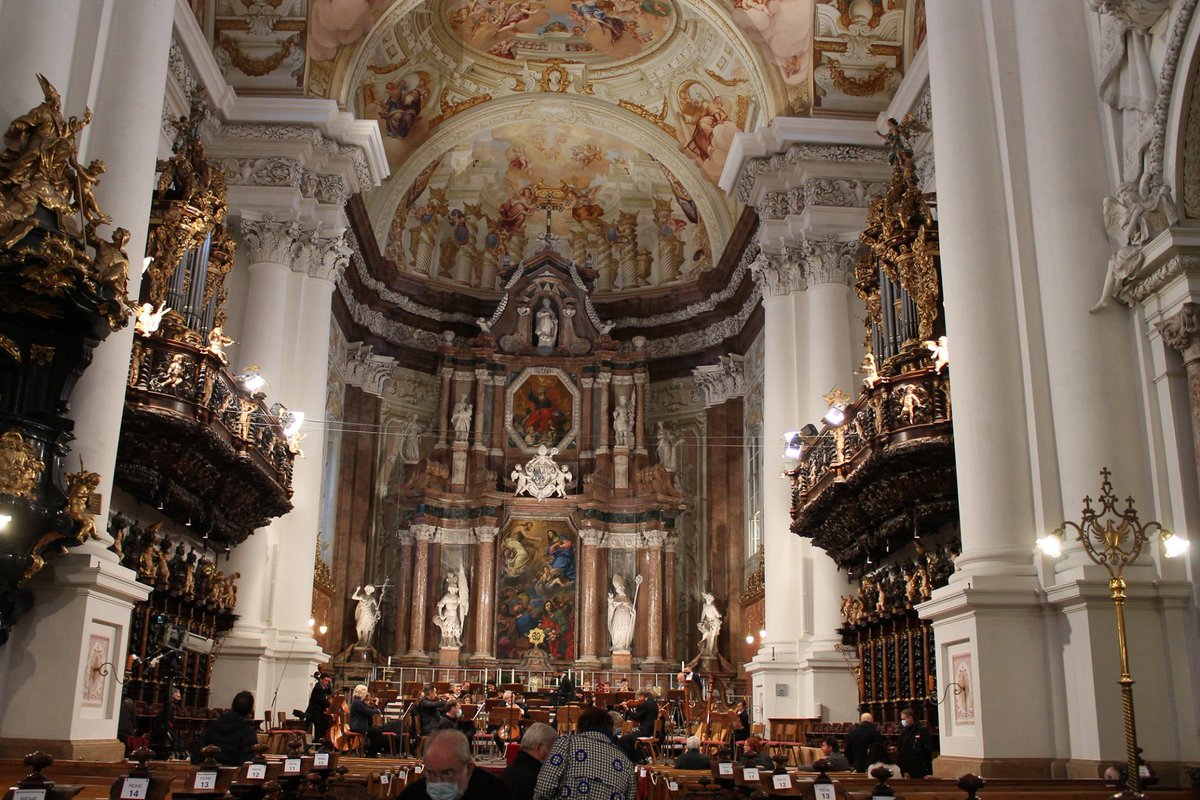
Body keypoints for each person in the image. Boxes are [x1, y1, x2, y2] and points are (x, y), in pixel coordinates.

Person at [533, 705, 636, 800]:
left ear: (579, 727)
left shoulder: (566, 744)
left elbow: (544, 788)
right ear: (612, 729)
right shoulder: (625, 761)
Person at [398, 728, 512, 800]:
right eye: (431, 773)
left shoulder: (493, 792)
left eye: (447, 773)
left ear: (469, 768)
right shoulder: (413, 794)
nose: (438, 782)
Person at [191, 690, 257, 766]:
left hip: (206, 773)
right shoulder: (248, 733)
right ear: (250, 711)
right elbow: (247, 764)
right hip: (232, 776)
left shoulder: (212, 726)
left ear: (232, 706)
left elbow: (195, 757)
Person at [501, 722, 557, 800]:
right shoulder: (535, 778)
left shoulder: (509, 771)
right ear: (539, 747)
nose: (553, 754)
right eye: (552, 749)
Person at [618, 689, 658, 762]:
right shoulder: (654, 703)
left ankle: (636, 759)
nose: (638, 700)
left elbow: (636, 717)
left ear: (642, 696)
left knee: (622, 740)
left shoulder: (645, 704)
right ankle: (638, 758)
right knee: (629, 740)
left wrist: (627, 710)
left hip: (645, 732)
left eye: (639, 697)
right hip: (651, 731)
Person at [896, 708, 933, 779]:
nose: (902, 721)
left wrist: (929, 772)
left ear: (910, 717)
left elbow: (927, 751)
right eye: (901, 720)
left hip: (919, 767)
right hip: (906, 766)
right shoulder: (904, 732)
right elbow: (901, 749)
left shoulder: (922, 730)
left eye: (904, 719)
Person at [350, 684, 385, 757]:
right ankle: (371, 754)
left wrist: (374, 705)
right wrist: (377, 710)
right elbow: (368, 712)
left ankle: (371, 752)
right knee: (377, 732)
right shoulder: (357, 702)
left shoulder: (359, 702)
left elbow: (368, 710)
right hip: (358, 726)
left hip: (362, 726)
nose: (366, 695)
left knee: (377, 731)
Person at [305, 672, 333, 744]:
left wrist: (330, 684)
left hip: (318, 711)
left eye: (328, 681)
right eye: (326, 681)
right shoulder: (318, 688)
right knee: (320, 726)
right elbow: (323, 701)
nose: (327, 682)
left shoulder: (323, 687)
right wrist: (331, 706)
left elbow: (329, 693)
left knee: (324, 725)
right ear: (321, 680)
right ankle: (318, 742)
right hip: (314, 712)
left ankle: (319, 741)